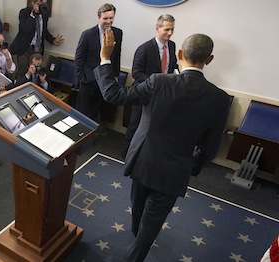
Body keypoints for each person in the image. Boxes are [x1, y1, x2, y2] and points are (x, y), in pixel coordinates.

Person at [95, 31, 230, 261]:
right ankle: (139, 243)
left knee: (137, 212)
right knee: (149, 228)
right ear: (209, 59)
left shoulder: (158, 81)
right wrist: (191, 166)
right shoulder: (220, 99)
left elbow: (113, 94)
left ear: (179, 54)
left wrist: (105, 58)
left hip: (143, 163)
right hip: (174, 172)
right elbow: (210, 148)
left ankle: (136, 241)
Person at [124, 14, 178, 157]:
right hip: (143, 93)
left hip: (162, 94)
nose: (170, 33)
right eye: (167, 29)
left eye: (172, 29)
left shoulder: (172, 46)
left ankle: (143, 154)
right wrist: (156, 83)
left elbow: (172, 65)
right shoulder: (144, 49)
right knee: (135, 124)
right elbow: (136, 73)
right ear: (157, 28)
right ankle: (127, 154)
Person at [75, 3, 122, 120]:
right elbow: (79, 57)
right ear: (99, 17)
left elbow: (117, 56)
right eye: (105, 18)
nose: (109, 21)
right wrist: (82, 77)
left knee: (96, 112)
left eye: (111, 18)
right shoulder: (87, 34)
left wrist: (115, 76)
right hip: (88, 81)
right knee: (83, 113)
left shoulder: (118, 33)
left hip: (105, 82)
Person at [9, 0, 63, 75]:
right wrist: (33, 15)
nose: (42, 5)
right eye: (39, 4)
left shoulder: (44, 14)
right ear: (32, 3)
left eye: (44, 3)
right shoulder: (24, 12)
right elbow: (25, 29)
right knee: (23, 72)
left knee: (36, 72)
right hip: (25, 49)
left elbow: (43, 30)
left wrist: (52, 40)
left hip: (38, 48)